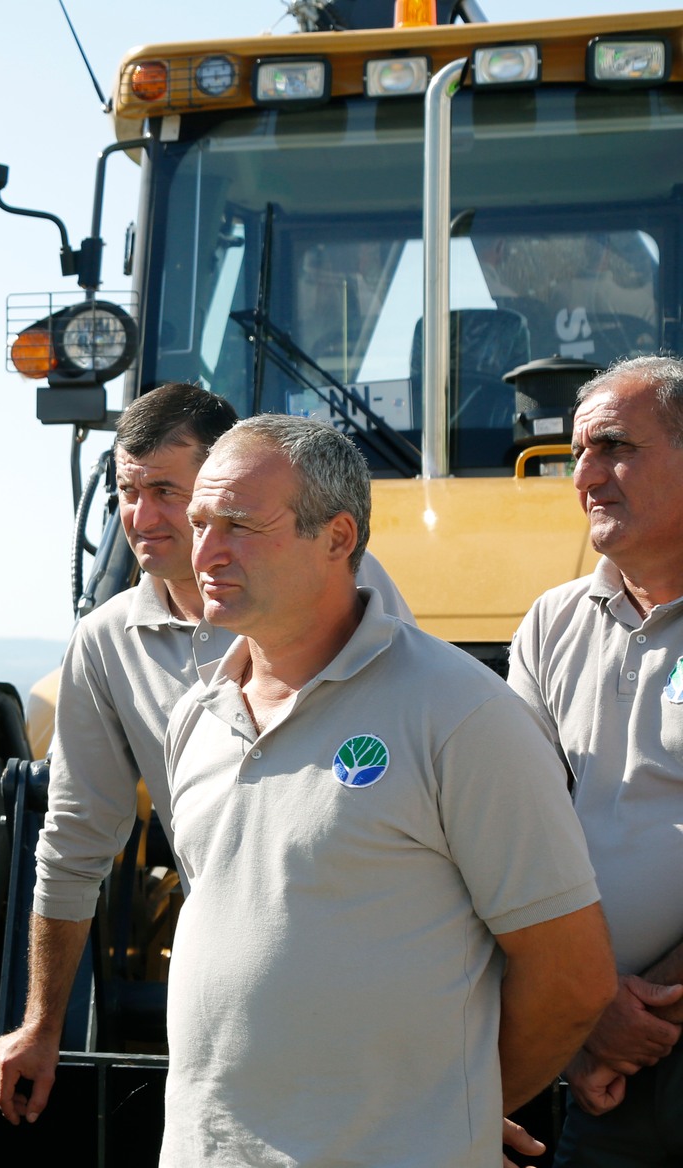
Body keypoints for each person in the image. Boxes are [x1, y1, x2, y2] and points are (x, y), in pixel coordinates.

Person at [157, 414, 615, 1166]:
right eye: (201, 523)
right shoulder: (196, 718)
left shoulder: (460, 713)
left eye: (239, 524)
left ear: (337, 537)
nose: (204, 552)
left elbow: (572, 976)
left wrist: (459, 1113)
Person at [0, 384, 414, 1122]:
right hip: (230, 1001)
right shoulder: (107, 642)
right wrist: (41, 1024)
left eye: (165, 492)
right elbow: (76, 840)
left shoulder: (352, 592)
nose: (141, 518)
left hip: (384, 991)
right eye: (127, 492)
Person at [507, 354, 683, 1165]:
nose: (584, 477)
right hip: (601, 1056)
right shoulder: (551, 624)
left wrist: (641, 1013)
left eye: (615, 447)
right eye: (579, 453)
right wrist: (585, 1011)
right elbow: (511, 835)